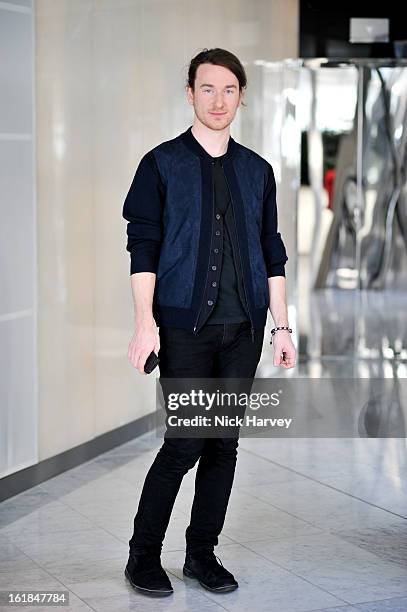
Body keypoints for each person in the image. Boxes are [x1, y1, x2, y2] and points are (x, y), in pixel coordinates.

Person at [122, 47, 296, 598]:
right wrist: (144, 323)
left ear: (242, 95)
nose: (218, 100)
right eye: (207, 89)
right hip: (182, 330)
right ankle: (142, 557)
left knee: (224, 444)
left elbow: (273, 253)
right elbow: (143, 247)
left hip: (243, 330)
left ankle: (201, 554)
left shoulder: (257, 171)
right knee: (185, 442)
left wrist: (282, 326)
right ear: (190, 94)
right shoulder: (161, 164)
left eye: (229, 90)